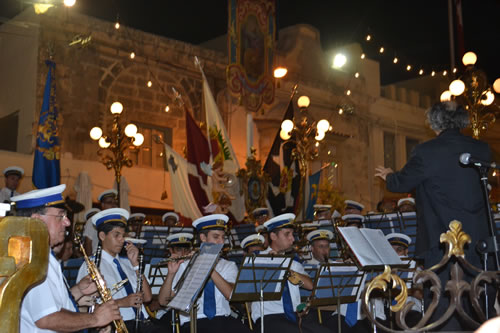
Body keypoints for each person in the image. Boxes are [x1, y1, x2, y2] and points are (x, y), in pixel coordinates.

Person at [375, 101, 493, 330]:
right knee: (476, 301)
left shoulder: (426, 151)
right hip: (477, 242)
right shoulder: (481, 149)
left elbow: (402, 183)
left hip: (442, 241)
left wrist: (390, 176)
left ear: (434, 122)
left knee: (442, 303)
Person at [11, 184, 121, 333]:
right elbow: (47, 318)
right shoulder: (32, 259)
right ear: (37, 221)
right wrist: (95, 318)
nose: (67, 222)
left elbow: (47, 304)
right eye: (60, 216)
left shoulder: (41, 254)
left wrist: (78, 290)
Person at [158, 214, 252, 333]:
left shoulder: (229, 266)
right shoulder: (183, 265)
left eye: (223, 237)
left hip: (223, 319)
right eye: (216, 237)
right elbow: (162, 301)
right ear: (203, 237)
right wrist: (171, 274)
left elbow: (231, 295)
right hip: (193, 321)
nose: (221, 242)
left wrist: (208, 265)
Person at [76, 208, 163, 333]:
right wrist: (122, 302)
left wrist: (136, 265)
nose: (122, 240)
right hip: (117, 325)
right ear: (102, 236)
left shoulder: (127, 262)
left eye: (123, 235)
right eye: (116, 235)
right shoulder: (91, 265)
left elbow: (147, 297)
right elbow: (86, 307)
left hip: (142, 321)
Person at [250, 213, 330, 333]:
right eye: (287, 234)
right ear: (273, 236)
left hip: (294, 316)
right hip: (269, 317)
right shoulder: (257, 260)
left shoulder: (293, 263)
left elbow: (310, 285)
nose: (292, 239)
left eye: (292, 234)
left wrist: (286, 269)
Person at [82, 189, 118, 256]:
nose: (113, 205)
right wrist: (90, 262)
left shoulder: (117, 220)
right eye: (110, 202)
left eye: (115, 202)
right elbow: (88, 242)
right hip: (98, 257)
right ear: (103, 205)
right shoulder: (94, 219)